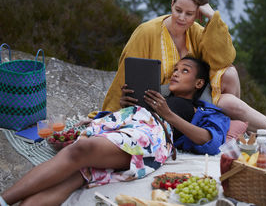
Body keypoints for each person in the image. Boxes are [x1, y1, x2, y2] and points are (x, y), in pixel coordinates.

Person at [102, 0, 266, 141]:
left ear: (197, 14)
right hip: (163, 100)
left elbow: (224, 58)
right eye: (178, 10)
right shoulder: (147, 32)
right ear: (171, 4)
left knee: (230, 73)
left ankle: (238, 127)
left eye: (189, 13)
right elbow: (127, 73)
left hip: (193, 94)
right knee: (231, 101)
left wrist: (211, 16)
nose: (181, 18)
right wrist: (110, 114)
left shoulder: (196, 31)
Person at [0, 57, 230, 206]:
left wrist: (167, 114)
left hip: (153, 134)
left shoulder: (202, 110)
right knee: (75, 175)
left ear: (199, 84)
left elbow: (208, 141)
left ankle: (3, 199)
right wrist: (128, 106)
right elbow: (136, 116)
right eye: (176, 69)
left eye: (185, 70)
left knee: (81, 149)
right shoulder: (159, 97)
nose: (176, 73)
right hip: (130, 125)